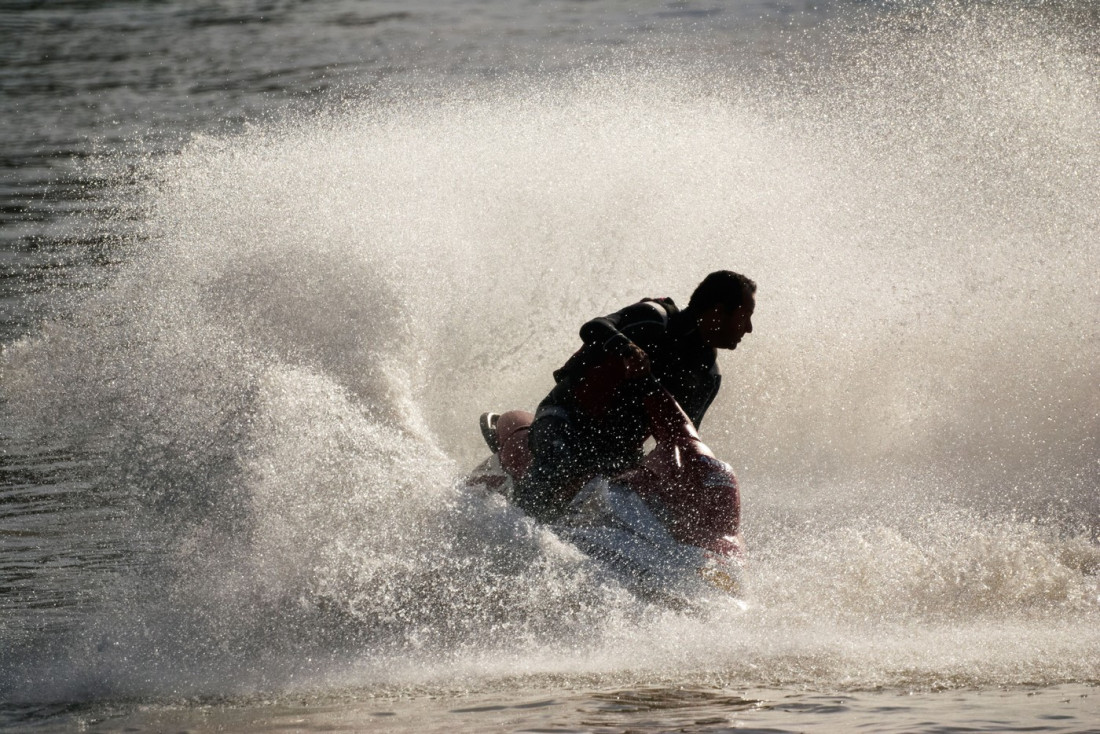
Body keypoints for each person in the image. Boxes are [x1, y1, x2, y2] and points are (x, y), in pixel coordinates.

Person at [503, 269, 756, 521]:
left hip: (618, 452)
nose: (749, 328)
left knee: (639, 503)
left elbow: (680, 441)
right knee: (558, 464)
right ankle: (514, 533)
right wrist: (627, 349)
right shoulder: (653, 319)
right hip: (566, 420)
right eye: (745, 317)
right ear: (718, 311)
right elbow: (593, 328)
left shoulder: (707, 377)